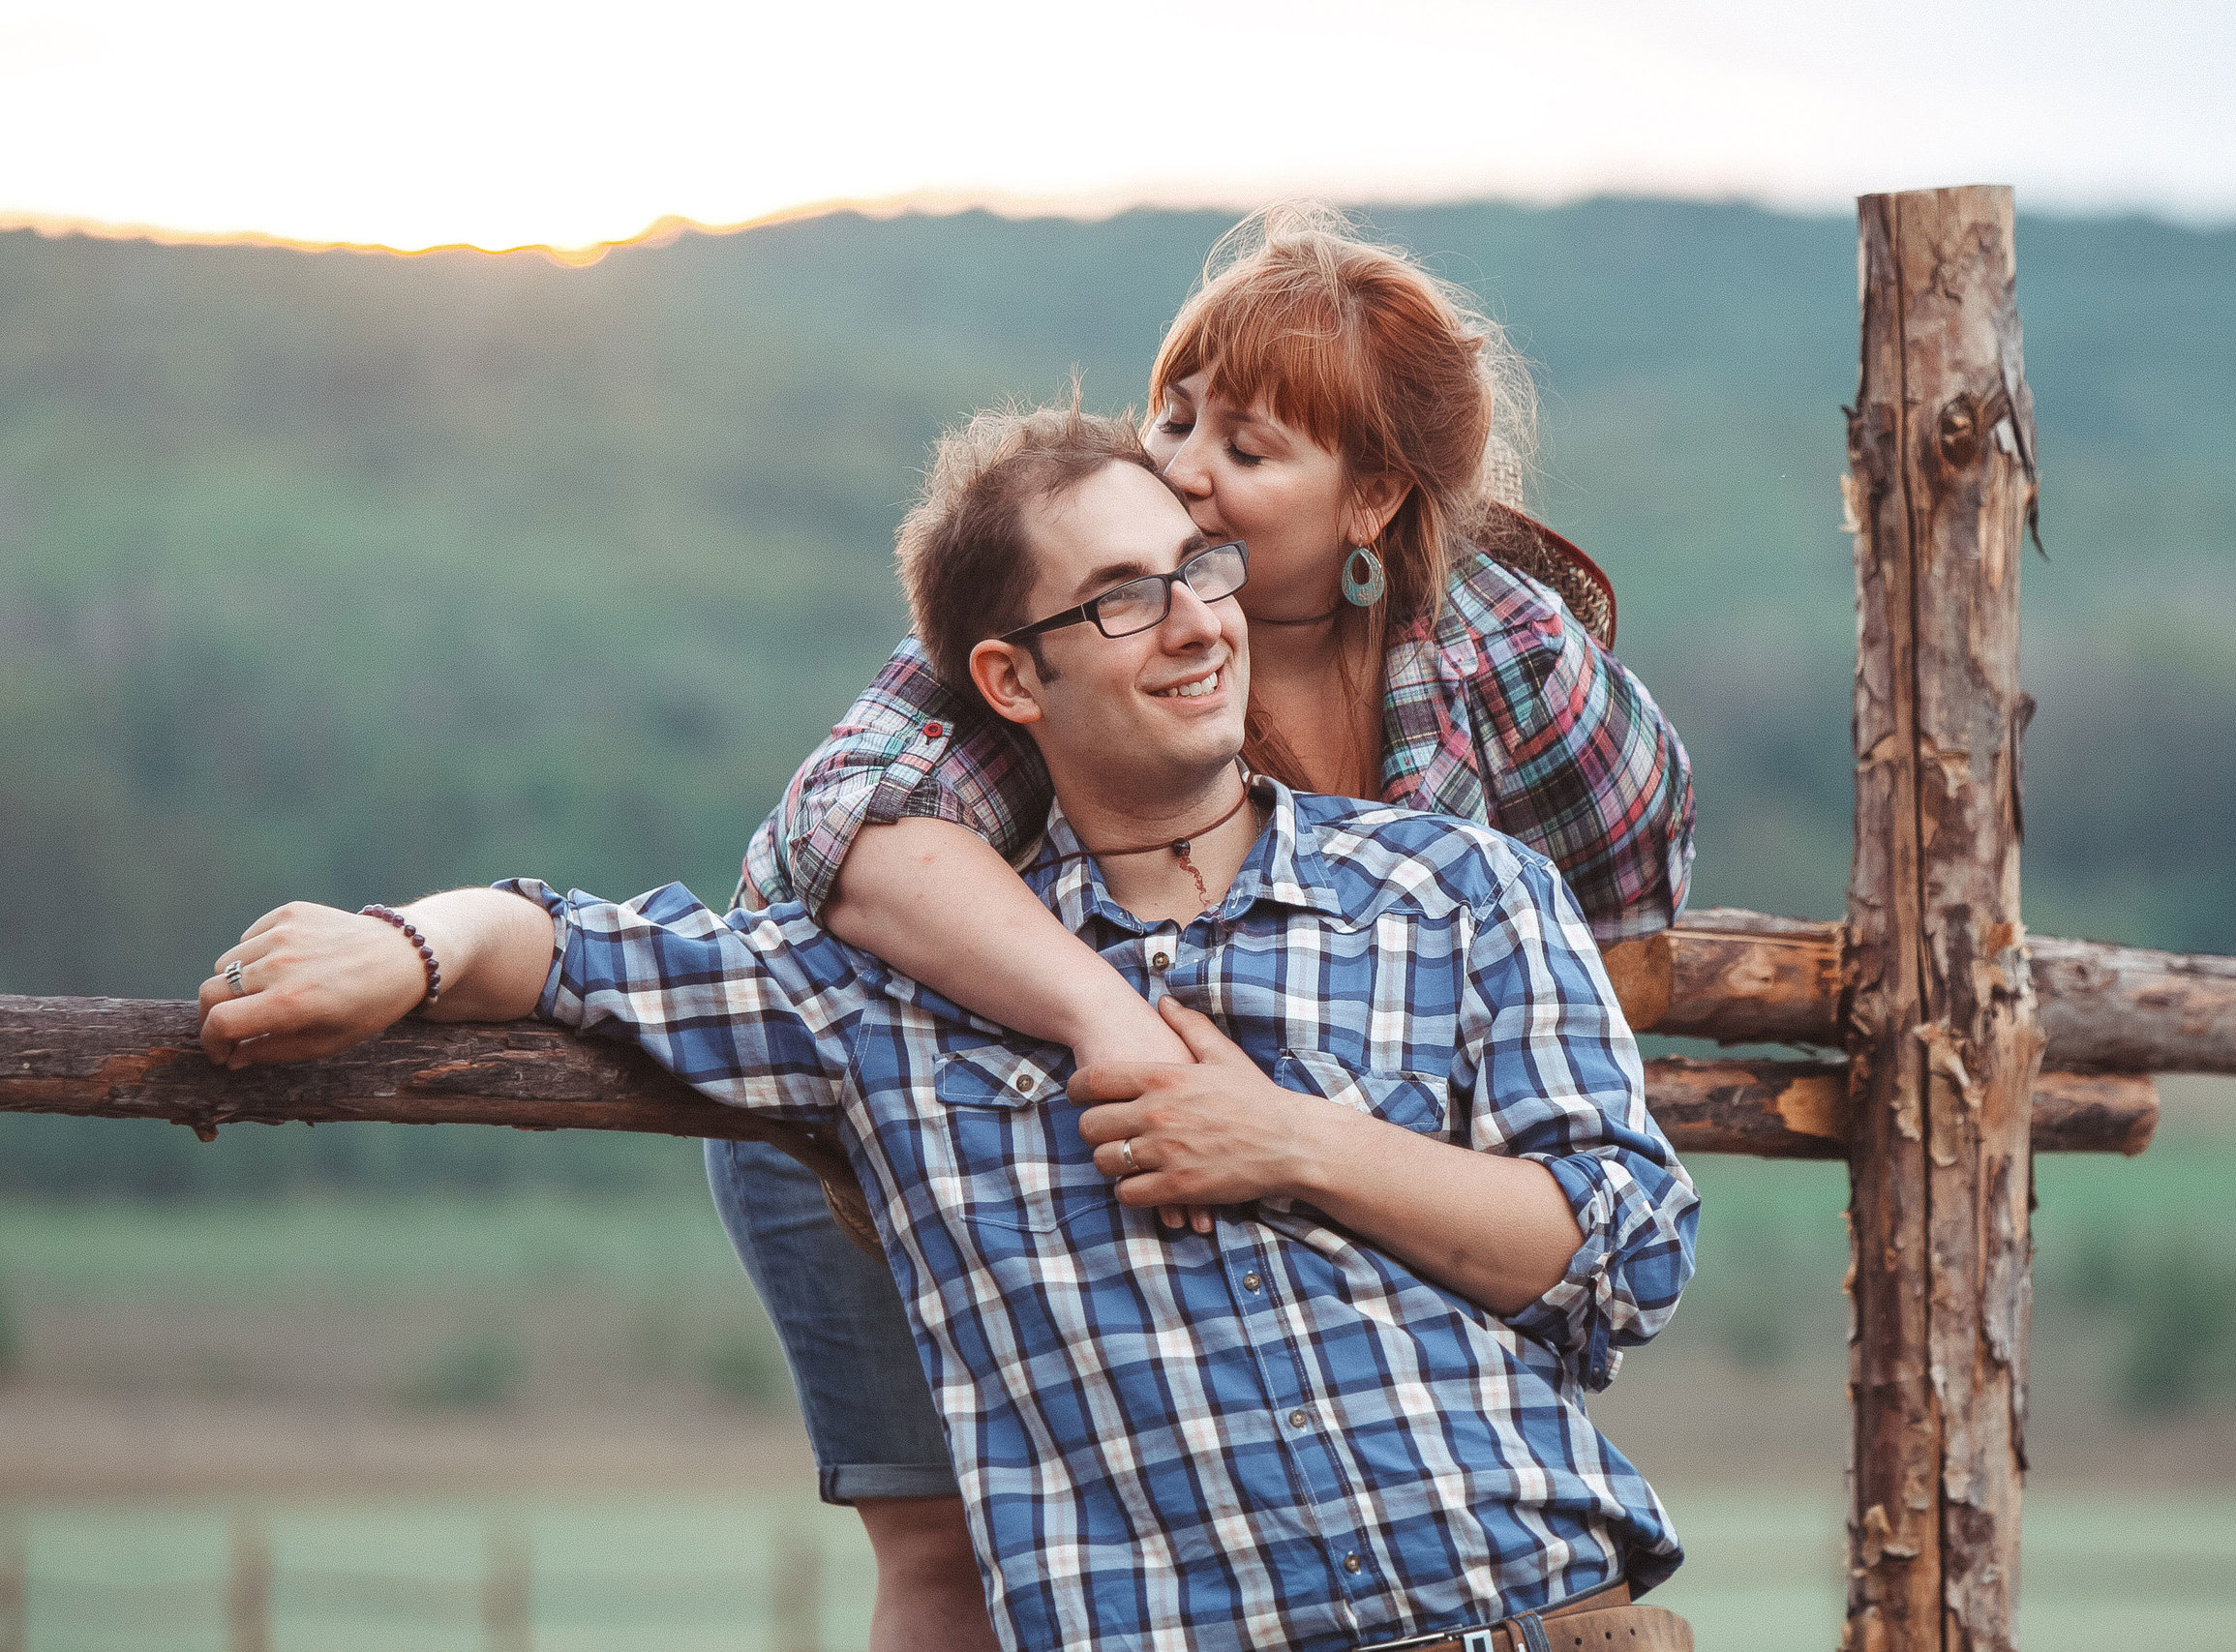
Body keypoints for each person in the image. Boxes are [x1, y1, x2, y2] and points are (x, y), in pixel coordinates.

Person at [196, 405, 1699, 1652]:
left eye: (1202, 569)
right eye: (1123, 596)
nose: (1194, 623)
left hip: (1544, 1613)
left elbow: (1623, 1250)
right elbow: (576, 943)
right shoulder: (885, 997)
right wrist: (404, 940)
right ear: (1007, 679)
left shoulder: (1459, 889)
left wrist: (1290, 1140)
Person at [719, 206, 1696, 1647]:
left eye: (1245, 447)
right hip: (971, 1104)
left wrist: (1438, 1095)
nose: (1175, 465)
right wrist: (1114, 1021)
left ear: (1369, 501)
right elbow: (828, 840)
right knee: (951, 1547)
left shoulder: (1510, 657)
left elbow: (1630, 887)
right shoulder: (1083, 608)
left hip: (1290, 1154)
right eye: (1172, 414)